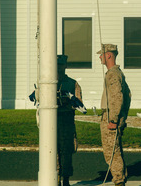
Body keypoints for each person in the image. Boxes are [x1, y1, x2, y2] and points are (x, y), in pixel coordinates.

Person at [98, 44, 131, 186]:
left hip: (111, 117)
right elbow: (128, 95)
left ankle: (119, 181)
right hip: (113, 116)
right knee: (115, 150)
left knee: (112, 152)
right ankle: (120, 179)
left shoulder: (113, 74)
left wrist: (114, 119)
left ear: (109, 55)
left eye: (102, 54)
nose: (100, 57)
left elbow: (118, 97)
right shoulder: (117, 73)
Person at [57, 54, 82, 186]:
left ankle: (66, 179)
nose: (59, 68)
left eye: (61, 65)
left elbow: (80, 103)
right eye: (57, 65)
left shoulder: (72, 83)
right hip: (52, 121)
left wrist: (71, 100)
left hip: (66, 121)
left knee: (66, 151)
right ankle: (55, 178)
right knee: (53, 151)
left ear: (65, 66)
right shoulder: (48, 82)